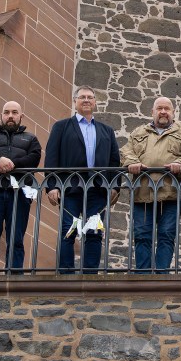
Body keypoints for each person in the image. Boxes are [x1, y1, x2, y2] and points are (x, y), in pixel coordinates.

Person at [45, 85, 120, 274]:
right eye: (82, 97)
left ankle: (90, 275)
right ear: (75, 102)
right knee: (68, 230)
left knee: (94, 232)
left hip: (97, 189)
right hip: (70, 188)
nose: (86, 100)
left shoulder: (106, 131)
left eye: (90, 97)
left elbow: (114, 161)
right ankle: (65, 275)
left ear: (94, 102)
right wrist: (52, 185)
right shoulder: (61, 127)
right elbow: (52, 157)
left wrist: (115, 186)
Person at [122, 97, 181, 272]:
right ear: (152, 112)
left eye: (167, 109)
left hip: (171, 194)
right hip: (142, 194)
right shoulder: (138, 132)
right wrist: (132, 162)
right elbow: (126, 151)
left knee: (166, 235)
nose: (163, 112)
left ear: (173, 112)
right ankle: (143, 276)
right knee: (142, 236)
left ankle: (161, 274)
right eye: (159, 108)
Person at [0, 100, 42, 274]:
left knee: (16, 238)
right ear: (2, 116)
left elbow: (34, 159)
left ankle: (14, 274)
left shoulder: (31, 139)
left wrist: (12, 164)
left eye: (14, 112)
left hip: (20, 193)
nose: (10, 116)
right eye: (6, 112)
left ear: (21, 116)